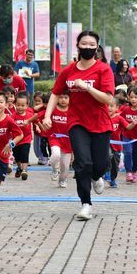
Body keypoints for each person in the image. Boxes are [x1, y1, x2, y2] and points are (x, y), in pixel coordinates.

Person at [42, 30, 114, 221]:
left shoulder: (103, 69)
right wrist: (47, 115)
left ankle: (97, 176)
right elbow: (56, 93)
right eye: (84, 44)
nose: (88, 47)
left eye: (92, 45)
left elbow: (107, 98)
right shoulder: (69, 70)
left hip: (100, 123)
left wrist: (88, 87)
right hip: (76, 123)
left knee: (100, 164)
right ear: (78, 46)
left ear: (97, 48)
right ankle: (85, 204)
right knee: (83, 164)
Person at [121, 87, 137, 183]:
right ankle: (128, 172)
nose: (133, 99)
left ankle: (135, 170)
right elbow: (120, 119)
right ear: (128, 98)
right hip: (126, 136)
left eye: (136, 97)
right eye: (131, 97)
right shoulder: (126, 110)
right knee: (128, 152)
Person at [47, 93, 72, 188]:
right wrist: (29, 121)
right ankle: (54, 169)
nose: (63, 100)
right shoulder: (52, 109)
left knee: (65, 166)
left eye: (66, 97)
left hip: (68, 141)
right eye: (60, 97)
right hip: (55, 138)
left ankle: (62, 180)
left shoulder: (73, 111)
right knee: (56, 154)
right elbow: (39, 116)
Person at [12, 92, 36, 181]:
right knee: (17, 156)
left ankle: (24, 170)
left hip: (26, 139)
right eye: (18, 105)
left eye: (22, 105)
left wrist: (35, 130)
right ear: (15, 104)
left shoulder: (29, 115)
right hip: (16, 140)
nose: (20, 107)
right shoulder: (13, 116)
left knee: (24, 154)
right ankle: (19, 167)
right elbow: (9, 126)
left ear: (27, 105)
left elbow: (34, 122)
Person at [108, 98, 128, 187]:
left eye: (111, 106)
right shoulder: (102, 117)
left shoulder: (119, 118)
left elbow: (128, 126)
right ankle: (106, 174)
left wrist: (134, 123)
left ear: (117, 108)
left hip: (117, 146)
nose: (109, 108)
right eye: (107, 106)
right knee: (108, 156)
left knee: (115, 165)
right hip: (105, 144)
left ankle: (112, 179)